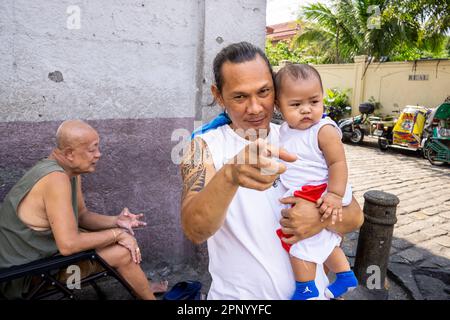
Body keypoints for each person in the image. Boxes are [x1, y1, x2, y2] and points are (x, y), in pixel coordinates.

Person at [181, 42, 364, 299]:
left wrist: (318, 218)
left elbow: (355, 216)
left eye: (264, 92)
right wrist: (230, 176)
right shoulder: (201, 147)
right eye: (240, 96)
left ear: (276, 93)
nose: (255, 108)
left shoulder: (300, 135)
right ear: (219, 95)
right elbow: (194, 229)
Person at [0, 120, 167, 299]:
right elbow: (69, 245)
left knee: (117, 241)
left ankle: (143, 288)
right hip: (23, 276)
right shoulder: (56, 179)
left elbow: (81, 215)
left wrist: (116, 222)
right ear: (70, 153)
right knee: (123, 252)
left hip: (40, 260)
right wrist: (117, 234)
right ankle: (147, 294)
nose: (98, 154)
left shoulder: (68, 171)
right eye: (92, 149)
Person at [274, 63, 358, 300]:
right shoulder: (283, 131)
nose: (306, 110)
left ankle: (306, 288)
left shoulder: (323, 129)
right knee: (323, 238)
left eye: (314, 101)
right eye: (296, 104)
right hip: (308, 193)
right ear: (279, 106)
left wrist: (334, 194)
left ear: (322, 99)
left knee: (297, 243)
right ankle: (344, 275)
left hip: (322, 190)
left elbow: (338, 164)